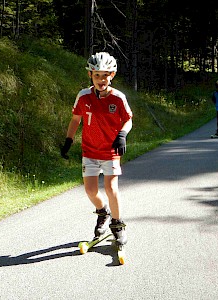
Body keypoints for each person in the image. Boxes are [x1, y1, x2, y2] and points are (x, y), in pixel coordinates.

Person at [60, 52, 133, 247]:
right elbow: (76, 119)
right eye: (97, 75)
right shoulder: (83, 96)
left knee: (111, 188)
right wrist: (68, 140)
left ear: (112, 75)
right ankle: (103, 212)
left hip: (110, 151)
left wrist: (122, 134)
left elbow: (128, 119)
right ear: (90, 75)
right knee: (91, 191)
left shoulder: (118, 98)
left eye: (106, 75)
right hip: (90, 151)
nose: (102, 79)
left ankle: (117, 225)